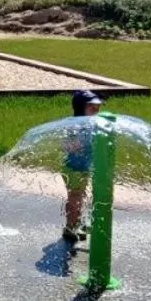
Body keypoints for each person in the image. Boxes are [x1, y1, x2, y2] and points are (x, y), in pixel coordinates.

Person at [62, 90, 103, 244]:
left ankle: (77, 222)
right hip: (73, 168)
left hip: (83, 167)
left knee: (80, 196)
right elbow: (64, 145)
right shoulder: (75, 126)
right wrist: (73, 145)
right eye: (91, 107)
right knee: (75, 197)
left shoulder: (91, 124)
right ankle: (70, 227)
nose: (96, 110)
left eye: (97, 107)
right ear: (80, 108)